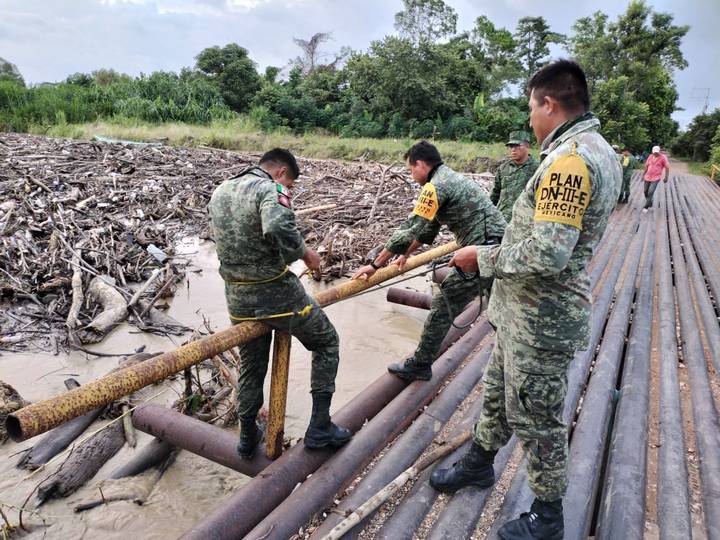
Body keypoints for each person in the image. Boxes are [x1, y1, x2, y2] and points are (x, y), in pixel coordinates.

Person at [430, 60, 621, 540]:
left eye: (531, 108)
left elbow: (550, 252)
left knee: (537, 416)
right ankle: (478, 462)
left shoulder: (570, 160)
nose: (529, 120)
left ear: (549, 104)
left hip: (543, 318)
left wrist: (483, 259)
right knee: (497, 392)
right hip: (522, 315)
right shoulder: (595, 149)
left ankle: (548, 514)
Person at [208, 148, 352, 459]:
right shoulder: (271, 189)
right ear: (282, 173)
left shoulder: (221, 190)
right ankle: (320, 427)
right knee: (327, 342)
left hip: (236, 295)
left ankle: (247, 437)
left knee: (252, 364)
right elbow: (277, 226)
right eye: (291, 185)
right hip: (275, 293)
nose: (289, 190)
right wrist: (306, 254)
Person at [352, 141, 506, 382]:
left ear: (421, 165)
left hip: (483, 251)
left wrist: (374, 266)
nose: (412, 177)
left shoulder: (435, 186)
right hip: (498, 246)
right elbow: (428, 228)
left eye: (411, 170)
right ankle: (511, 358)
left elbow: (412, 225)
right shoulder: (448, 177)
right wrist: (406, 253)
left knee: (444, 303)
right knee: (500, 308)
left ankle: (420, 364)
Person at [490, 130, 539, 222]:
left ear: (527, 146)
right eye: (511, 146)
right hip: (502, 220)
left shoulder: (537, 168)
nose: (513, 149)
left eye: (517, 146)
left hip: (525, 221)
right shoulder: (503, 168)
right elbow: (495, 194)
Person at [642, 145, 670, 211]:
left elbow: (667, 167)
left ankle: (646, 206)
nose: (655, 153)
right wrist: (643, 175)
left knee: (651, 191)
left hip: (656, 177)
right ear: (652, 151)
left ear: (659, 151)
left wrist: (666, 177)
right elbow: (646, 166)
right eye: (654, 152)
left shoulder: (663, 157)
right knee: (645, 191)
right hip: (647, 176)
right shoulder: (650, 156)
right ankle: (649, 201)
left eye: (657, 152)